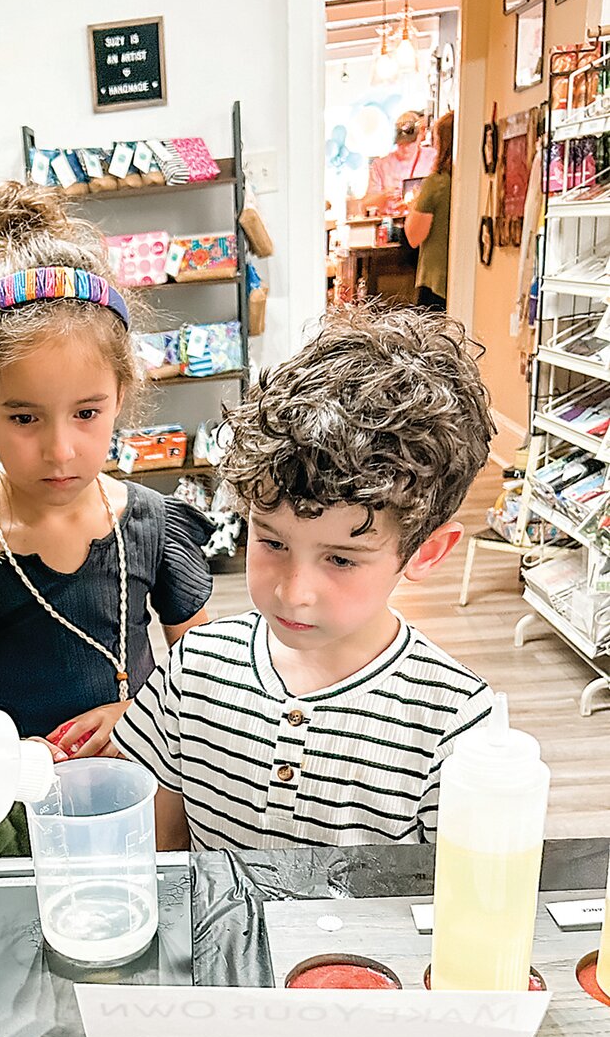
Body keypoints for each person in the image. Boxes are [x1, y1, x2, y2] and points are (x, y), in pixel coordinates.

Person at [0, 183, 213, 857]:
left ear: (123, 395)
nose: (60, 449)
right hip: (22, 825)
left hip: (146, 802)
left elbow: (203, 677)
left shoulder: (153, 526)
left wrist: (137, 715)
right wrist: (5, 757)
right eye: (24, 418)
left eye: (86, 413)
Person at [112, 306, 495, 852]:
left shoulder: (453, 723)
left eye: (340, 559)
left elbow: (458, 902)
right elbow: (167, 861)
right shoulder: (192, 667)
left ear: (425, 551)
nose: (293, 591)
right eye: (272, 542)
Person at [405, 110, 454, 312]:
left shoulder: (437, 183)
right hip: (457, 279)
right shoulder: (464, 182)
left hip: (434, 279)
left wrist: (413, 205)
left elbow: (414, 236)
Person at [362, 110, 436, 215]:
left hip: (421, 220)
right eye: (401, 144)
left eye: (410, 143)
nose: (405, 148)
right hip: (390, 223)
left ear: (421, 135)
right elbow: (365, 204)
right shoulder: (380, 165)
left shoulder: (432, 158)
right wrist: (384, 196)